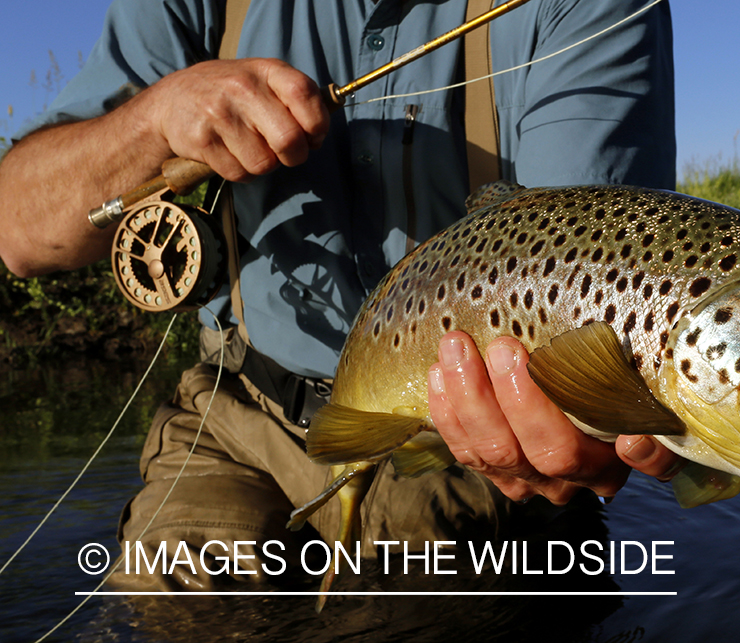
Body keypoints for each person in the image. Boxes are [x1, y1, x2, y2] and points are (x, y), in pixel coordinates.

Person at [0, 0, 681, 589]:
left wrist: (581, 414)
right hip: (242, 417)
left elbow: (589, 272)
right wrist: (152, 123)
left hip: (453, 438)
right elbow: (18, 230)